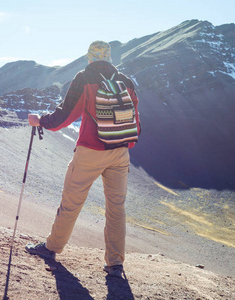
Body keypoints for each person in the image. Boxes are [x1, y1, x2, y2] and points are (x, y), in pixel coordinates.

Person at [25, 40, 141, 278]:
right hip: (120, 153)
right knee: (116, 208)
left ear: (89, 57)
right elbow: (136, 122)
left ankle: (52, 248)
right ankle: (115, 264)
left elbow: (64, 116)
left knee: (72, 202)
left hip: (90, 151)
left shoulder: (85, 78)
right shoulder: (126, 81)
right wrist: (124, 146)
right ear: (109, 57)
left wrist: (40, 121)